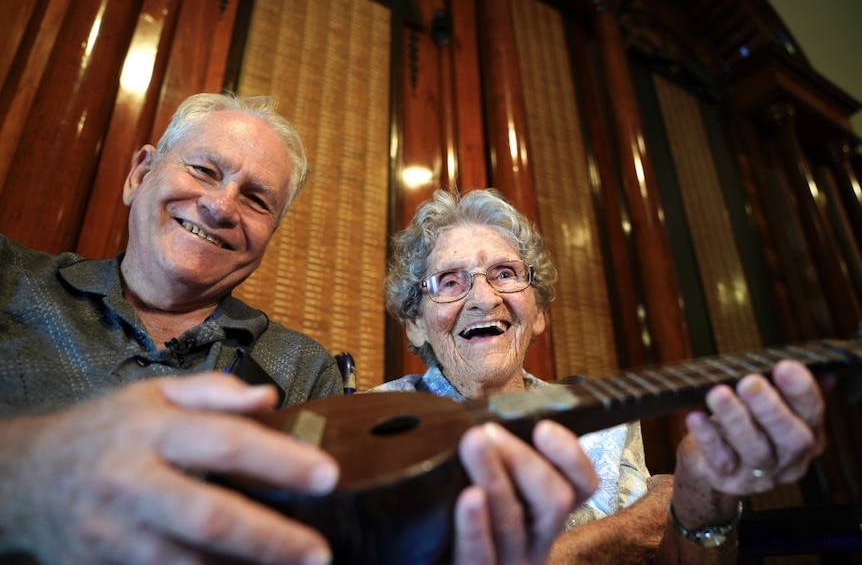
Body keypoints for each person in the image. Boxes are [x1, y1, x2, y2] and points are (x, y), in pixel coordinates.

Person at [0, 93, 599, 565]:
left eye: (257, 199)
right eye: (205, 170)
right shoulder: (11, 281)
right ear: (140, 174)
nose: (221, 206)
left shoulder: (300, 369)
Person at [373, 188, 827, 564]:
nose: (483, 298)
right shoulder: (372, 424)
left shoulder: (606, 419)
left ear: (538, 314)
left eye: (505, 273)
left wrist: (701, 490)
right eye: (450, 281)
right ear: (414, 321)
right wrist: (634, 524)